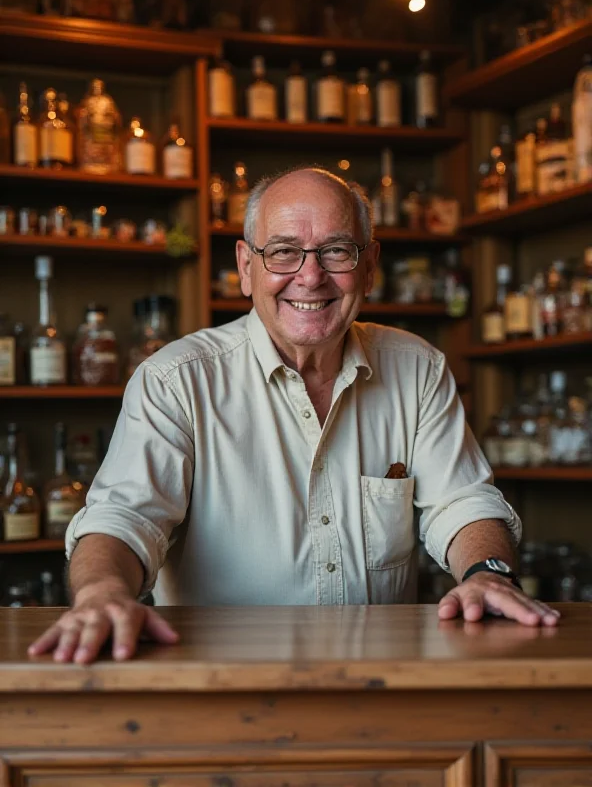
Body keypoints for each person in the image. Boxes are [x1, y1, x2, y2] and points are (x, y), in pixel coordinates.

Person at [29, 167, 559, 664]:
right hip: (217, 683)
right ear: (245, 267)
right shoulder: (176, 381)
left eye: (336, 251)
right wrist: (100, 593)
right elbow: (125, 517)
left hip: (385, 683)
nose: (310, 277)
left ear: (369, 266)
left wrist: (489, 573)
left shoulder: (417, 369)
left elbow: (462, 502)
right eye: (283, 252)